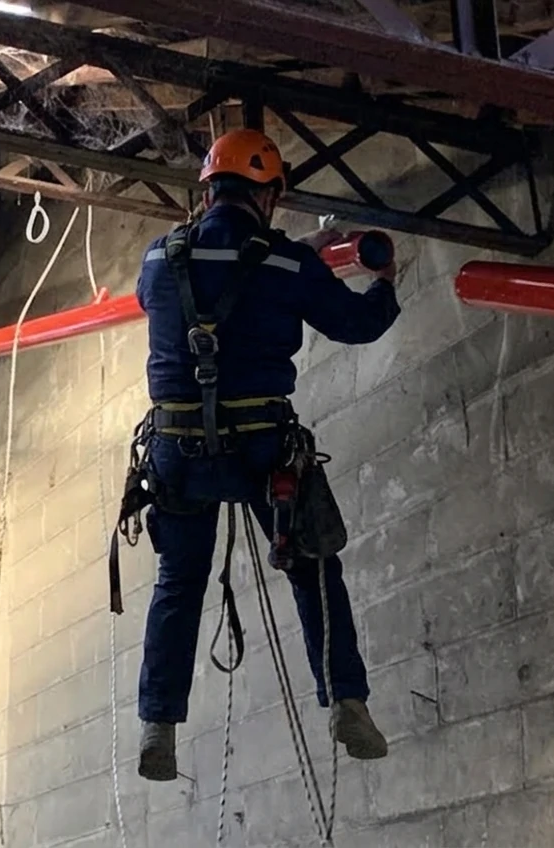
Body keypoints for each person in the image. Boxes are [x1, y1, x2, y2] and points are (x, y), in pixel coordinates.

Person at [133, 128, 401, 781]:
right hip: (263, 447)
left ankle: (158, 723)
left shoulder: (155, 259)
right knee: (311, 570)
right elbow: (356, 324)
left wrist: (275, 262)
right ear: (270, 192)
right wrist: (382, 281)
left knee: (177, 582)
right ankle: (345, 700)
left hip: (178, 449)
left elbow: (178, 292)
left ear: (207, 188)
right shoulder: (288, 264)